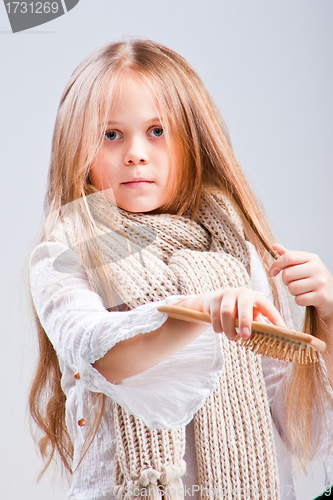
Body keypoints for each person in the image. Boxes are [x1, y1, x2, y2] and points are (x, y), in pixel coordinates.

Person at [28, 39, 333, 500]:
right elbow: (100, 352)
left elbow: (302, 426)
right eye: (111, 135)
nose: (135, 153)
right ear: (79, 151)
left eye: (157, 131)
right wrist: (198, 309)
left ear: (193, 140)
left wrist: (326, 321)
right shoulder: (64, 254)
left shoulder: (235, 254)